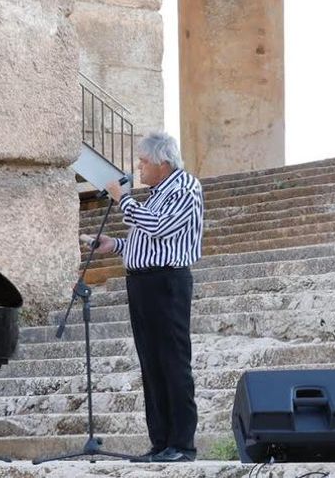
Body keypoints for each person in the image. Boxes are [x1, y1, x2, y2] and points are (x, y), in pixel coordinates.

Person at [93, 132, 204, 463]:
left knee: (173, 362)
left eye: (143, 161)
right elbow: (147, 240)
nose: (138, 167)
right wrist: (117, 245)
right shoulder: (156, 193)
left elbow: (159, 228)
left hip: (167, 283)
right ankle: (160, 443)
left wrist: (122, 199)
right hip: (142, 283)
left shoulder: (185, 187)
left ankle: (182, 445)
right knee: (151, 365)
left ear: (163, 163)